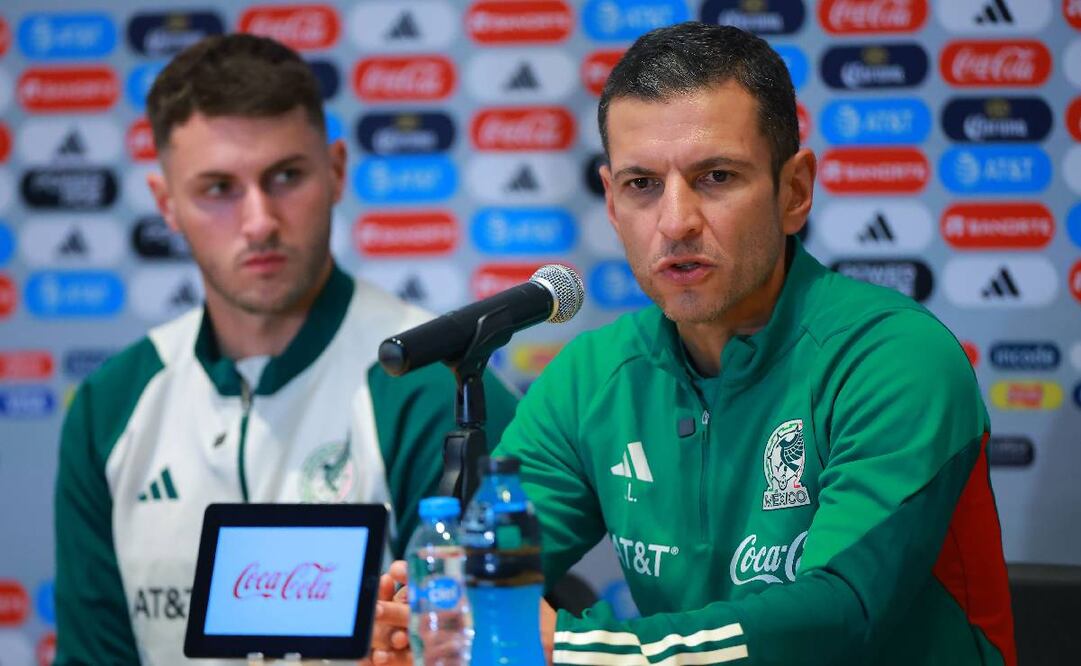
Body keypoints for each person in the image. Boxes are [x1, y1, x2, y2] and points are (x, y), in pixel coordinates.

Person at [372, 21, 1016, 666]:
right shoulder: (591, 377)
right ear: (612, 201)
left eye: (715, 176)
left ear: (794, 191)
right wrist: (416, 624)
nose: (676, 222)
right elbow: (489, 576)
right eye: (642, 184)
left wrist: (575, 648)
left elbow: (839, 615)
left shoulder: (893, 358)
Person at [52, 34, 517, 665]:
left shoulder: (440, 387)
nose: (259, 220)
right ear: (167, 204)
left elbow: (467, 650)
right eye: (218, 188)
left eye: (286, 176)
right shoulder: (111, 406)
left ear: (336, 171)